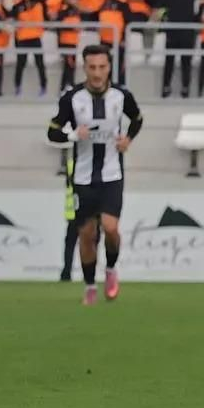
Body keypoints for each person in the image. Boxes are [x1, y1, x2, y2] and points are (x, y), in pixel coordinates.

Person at [45, 45, 143, 306]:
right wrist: (73, 135)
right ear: (84, 68)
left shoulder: (121, 95)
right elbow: (52, 131)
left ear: (109, 67)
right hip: (83, 178)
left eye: (102, 67)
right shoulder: (72, 98)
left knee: (110, 228)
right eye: (92, 67)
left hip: (112, 175)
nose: (97, 73)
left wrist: (128, 139)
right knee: (87, 235)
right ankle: (90, 285)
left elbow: (137, 119)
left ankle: (110, 269)